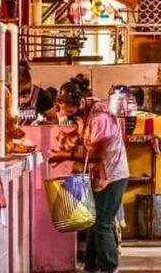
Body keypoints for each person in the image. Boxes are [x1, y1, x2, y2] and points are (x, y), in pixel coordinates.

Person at [49, 79, 129, 273]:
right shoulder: (88, 110)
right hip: (99, 176)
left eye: (68, 110)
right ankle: (90, 266)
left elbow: (98, 155)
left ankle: (110, 268)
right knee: (94, 222)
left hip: (112, 176)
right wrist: (69, 140)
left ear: (79, 102)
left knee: (101, 224)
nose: (66, 114)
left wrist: (67, 155)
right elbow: (83, 133)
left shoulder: (100, 117)